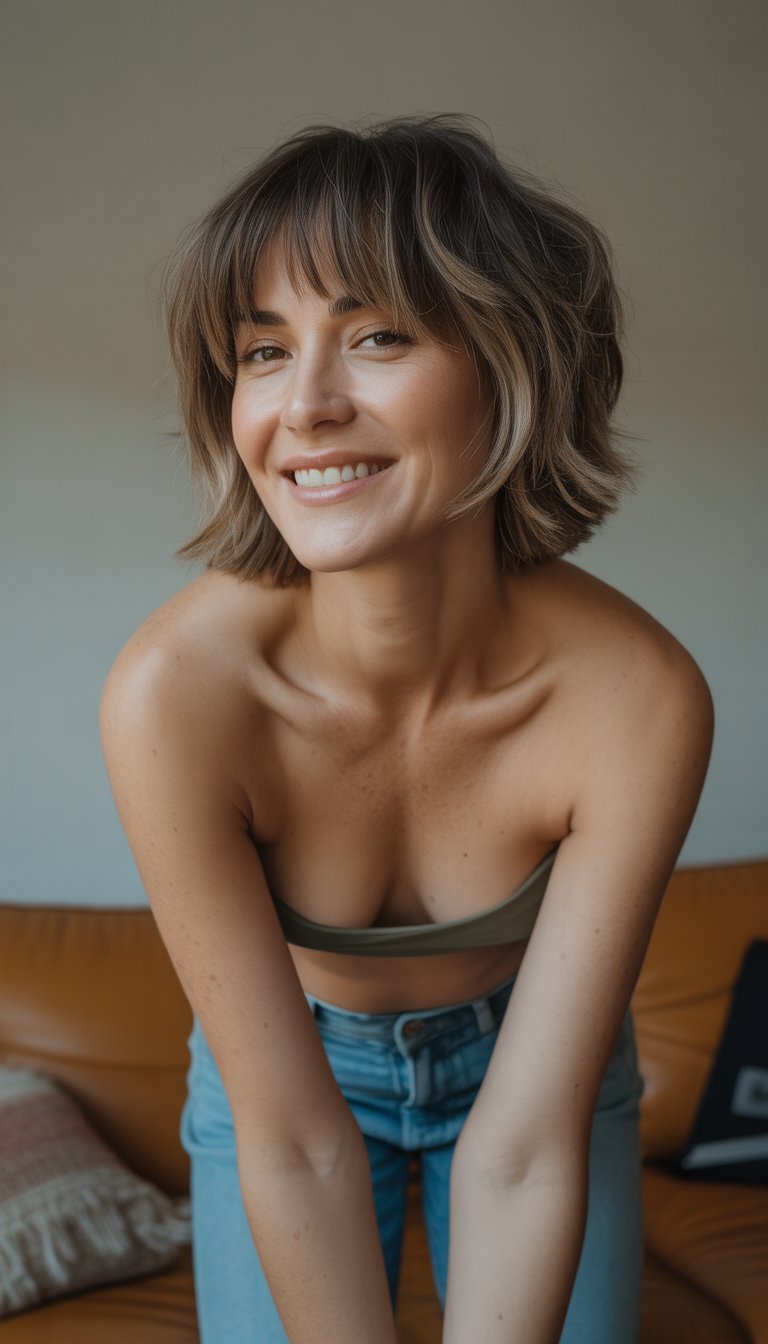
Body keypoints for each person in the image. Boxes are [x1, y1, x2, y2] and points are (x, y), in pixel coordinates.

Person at [99, 114, 714, 1344]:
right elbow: (291, 1140)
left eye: (377, 335)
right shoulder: (176, 695)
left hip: (540, 1082)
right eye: (262, 352)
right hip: (282, 1093)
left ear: (513, 361)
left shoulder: (635, 699)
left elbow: (528, 1149)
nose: (307, 405)